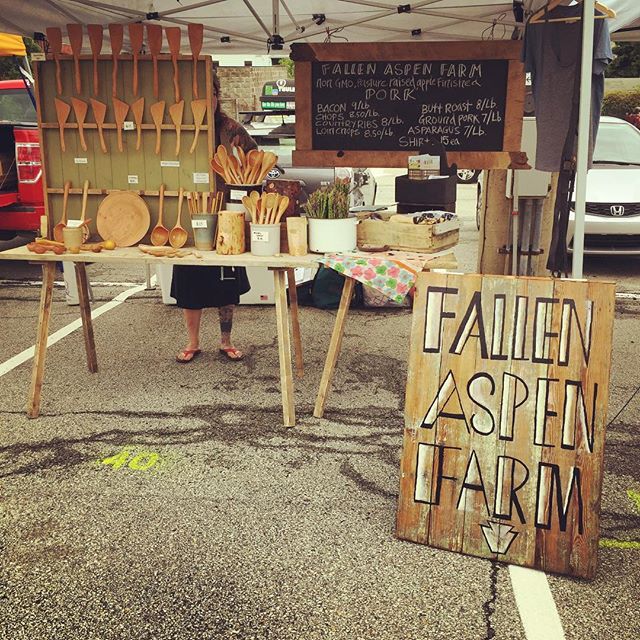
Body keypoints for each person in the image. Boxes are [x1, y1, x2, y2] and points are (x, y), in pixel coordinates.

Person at [171, 74, 258, 363]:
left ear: (217, 96)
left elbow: (257, 159)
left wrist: (248, 181)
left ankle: (226, 341)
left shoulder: (231, 129)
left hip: (226, 216)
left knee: (226, 284)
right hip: (191, 213)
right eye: (200, 95)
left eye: (212, 94)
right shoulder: (179, 128)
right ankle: (192, 342)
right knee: (189, 282)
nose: (208, 100)